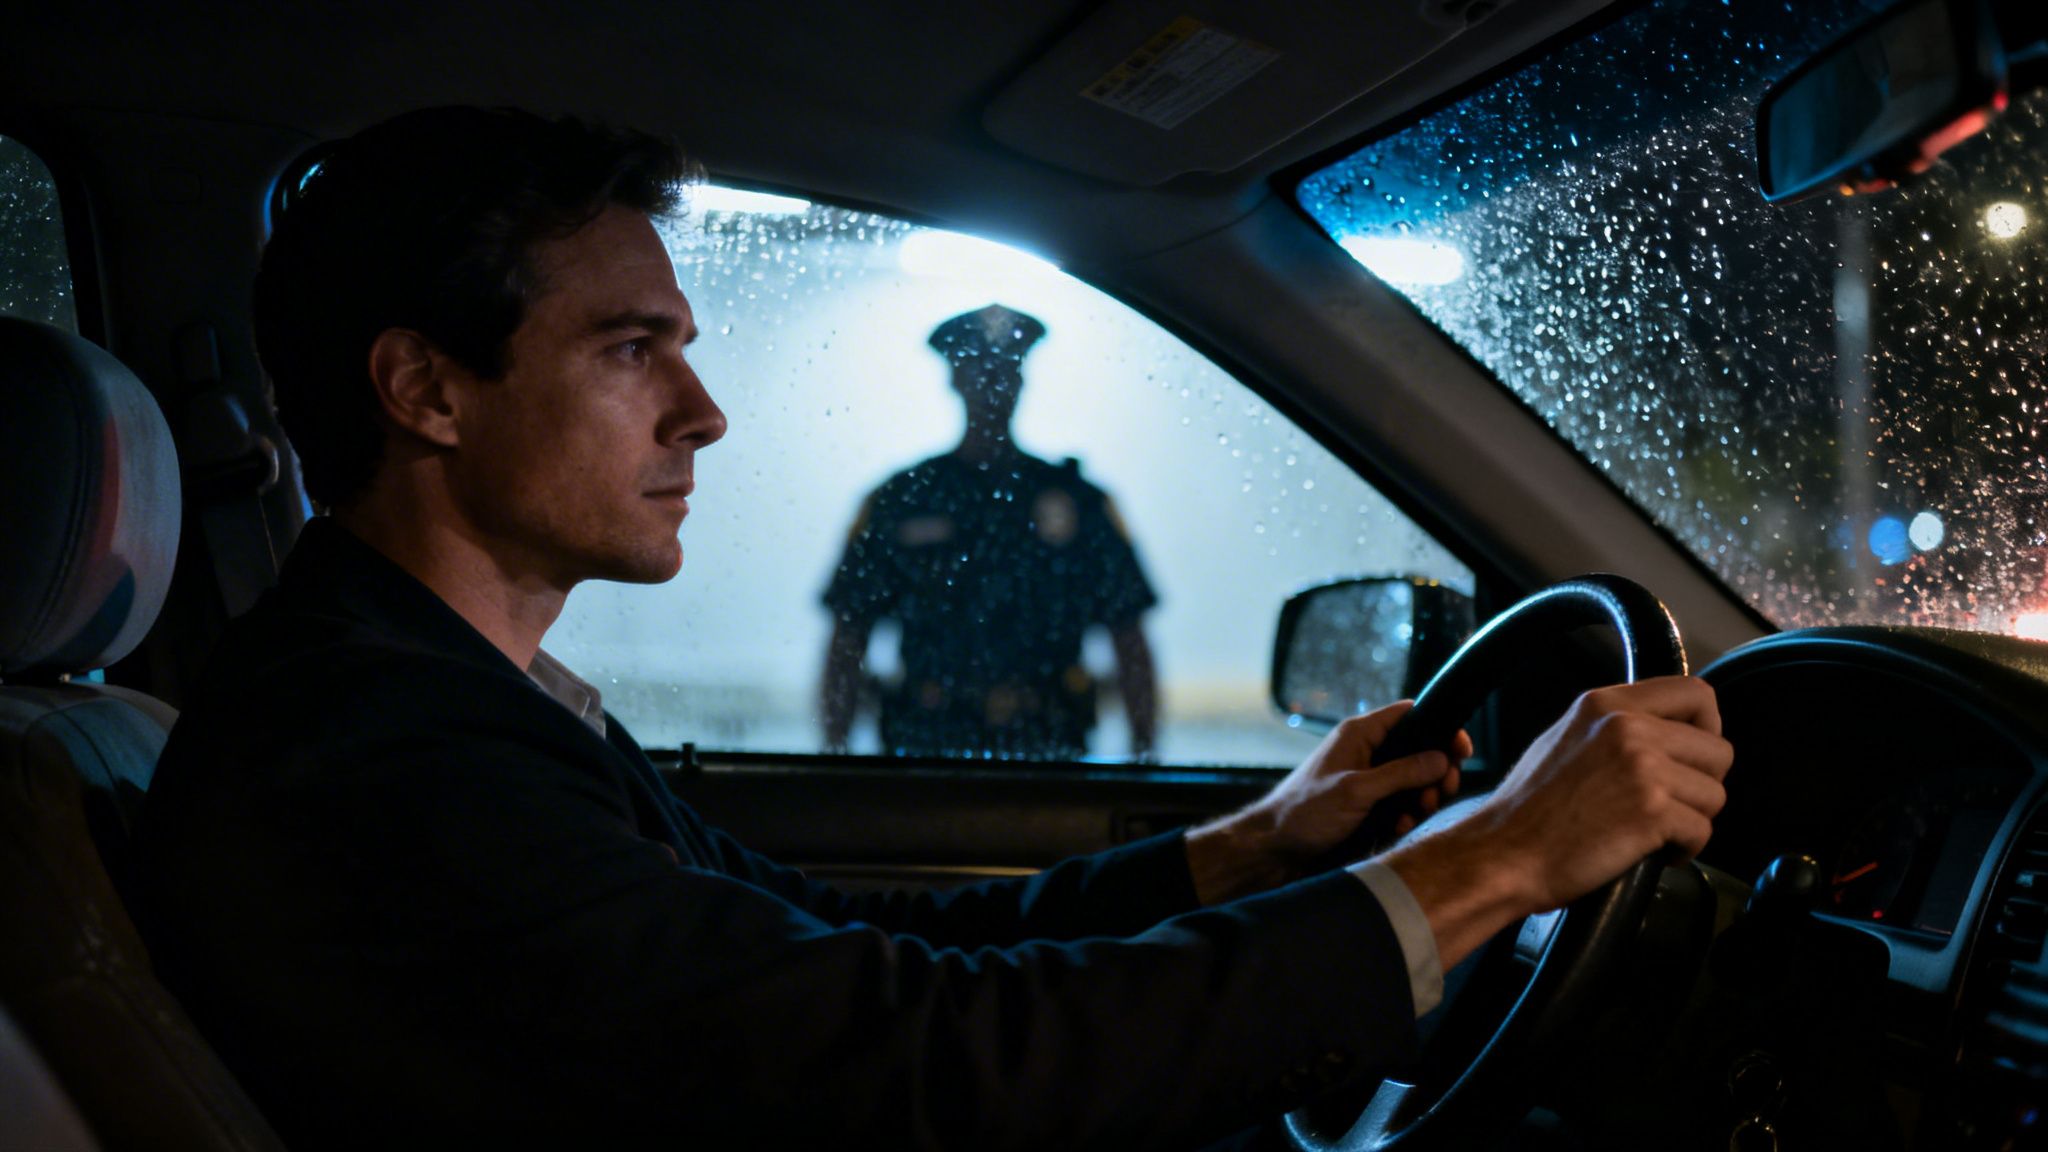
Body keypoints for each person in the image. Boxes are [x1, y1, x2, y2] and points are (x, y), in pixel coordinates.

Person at [134, 106, 1734, 1151]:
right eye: (634, 350)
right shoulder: (379, 751)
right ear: (424, 388)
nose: (705, 412)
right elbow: (917, 1068)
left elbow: (854, 958)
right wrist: (1495, 864)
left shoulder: (441, 703)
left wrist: (1244, 846)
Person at [820, 304, 1158, 759]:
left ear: (1022, 382)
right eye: (979, 371)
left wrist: (1144, 756)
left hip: (1049, 746)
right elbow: (848, 635)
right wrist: (832, 753)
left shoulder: (1077, 501)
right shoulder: (903, 499)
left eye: (1006, 370)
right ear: (955, 382)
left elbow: (1129, 635)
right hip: (925, 747)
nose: (994, 385)